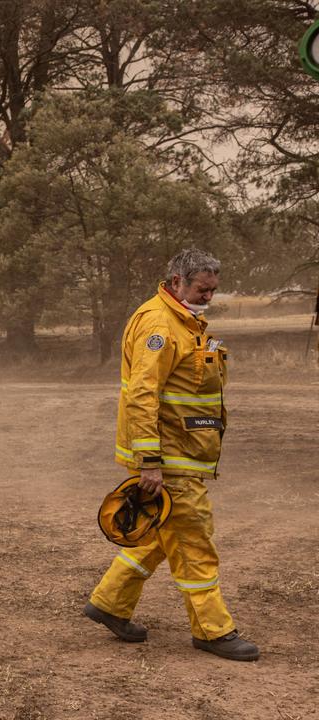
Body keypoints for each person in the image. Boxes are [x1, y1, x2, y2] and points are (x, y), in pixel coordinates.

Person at [84, 249, 259, 661]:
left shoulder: (186, 321)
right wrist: (149, 461)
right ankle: (213, 631)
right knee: (195, 541)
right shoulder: (159, 324)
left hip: (182, 456)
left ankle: (109, 602)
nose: (209, 297)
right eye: (202, 289)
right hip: (168, 459)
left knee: (163, 533)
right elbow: (143, 395)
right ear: (177, 281)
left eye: (214, 290)